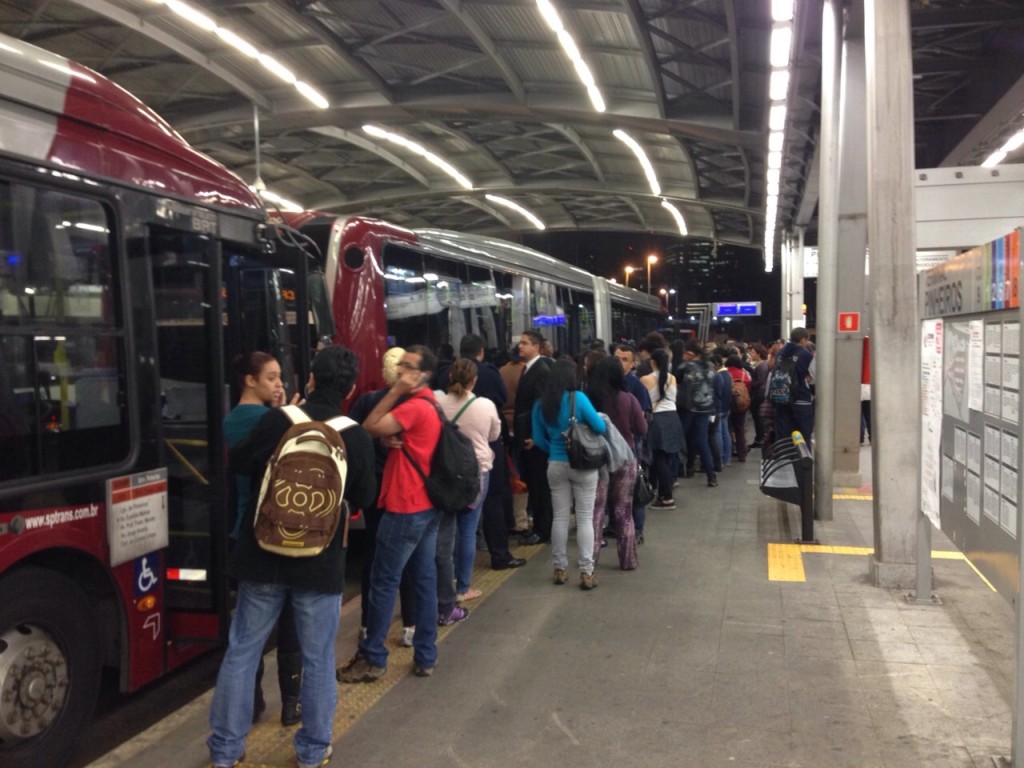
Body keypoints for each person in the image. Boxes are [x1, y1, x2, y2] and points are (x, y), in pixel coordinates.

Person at [209, 345, 376, 768]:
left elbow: (239, 463)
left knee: (243, 652)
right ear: (351, 389)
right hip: (319, 563)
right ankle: (313, 752)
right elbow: (363, 497)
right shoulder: (355, 435)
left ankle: (226, 752)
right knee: (317, 658)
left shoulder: (278, 420)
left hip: (262, 555)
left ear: (311, 379)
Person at [338, 345, 444, 683]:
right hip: (426, 504)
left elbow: (368, 426)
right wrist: (389, 442)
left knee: (383, 582)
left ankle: (373, 657)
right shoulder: (431, 404)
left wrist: (396, 391)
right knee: (424, 581)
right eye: (400, 366)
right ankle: (426, 655)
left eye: (408, 367)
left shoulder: (413, 405)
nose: (400, 371)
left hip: (405, 506)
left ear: (424, 374)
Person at [222, 351, 303, 728]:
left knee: (247, 633)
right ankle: (291, 704)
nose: (278, 383)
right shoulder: (271, 420)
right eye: (271, 377)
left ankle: (251, 704)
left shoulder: (231, 420)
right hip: (277, 528)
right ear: (250, 381)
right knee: (289, 624)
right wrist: (289, 414)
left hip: (244, 528)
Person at [348, 347, 418, 648]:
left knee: (374, 557)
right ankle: (411, 624)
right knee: (409, 559)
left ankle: (368, 624)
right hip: (406, 489)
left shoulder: (367, 401)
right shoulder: (417, 402)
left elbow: (352, 435)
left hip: (374, 489)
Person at [531, 358, 606, 589]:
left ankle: (559, 569)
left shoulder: (540, 404)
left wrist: (555, 451)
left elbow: (537, 438)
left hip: (555, 464)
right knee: (584, 518)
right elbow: (600, 427)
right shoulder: (578, 398)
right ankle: (586, 572)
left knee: (560, 517)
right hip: (583, 465)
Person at [435, 358, 502, 611]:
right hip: (477, 472)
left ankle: (445, 586)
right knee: (468, 529)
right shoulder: (485, 405)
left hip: (445, 472)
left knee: (446, 530)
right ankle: (463, 588)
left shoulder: (438, 404)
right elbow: (494, 435)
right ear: (474, 380)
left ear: (450, 377)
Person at [587, 355, 647, 569]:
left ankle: (590, 560)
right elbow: (642, 429)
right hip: (624, 457)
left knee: (595, 511)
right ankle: (628, 559)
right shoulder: (628, 398)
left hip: (596, 459)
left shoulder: (589, 400)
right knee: (623, 511)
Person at [513, 331, 554, 545]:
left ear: (536, 347)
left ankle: (542, 529)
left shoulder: (541, 371)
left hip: (534, 441)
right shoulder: (529, 369)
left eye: (524, 343)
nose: (520, 346)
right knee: (533, 483)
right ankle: (538, 526)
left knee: (540, 485)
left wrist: (534, 436)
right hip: (528, 438)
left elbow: (540, 407)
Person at [640, 347, 683, 508]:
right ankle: (663, 492)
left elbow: (643, 401)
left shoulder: (645, 379)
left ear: (653, 362)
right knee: (668, 457)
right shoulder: (672, 378)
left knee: (659, 458)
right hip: (673, 417)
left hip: (657, 419)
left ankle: (666, 497)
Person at [677, 340, 717, 487]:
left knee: (679, 439)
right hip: (706, 407)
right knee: (702, 441)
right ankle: (711, 476)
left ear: (690, 353)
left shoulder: (686, 367)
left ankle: (677, 472)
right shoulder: (710, 366)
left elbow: (676, 380)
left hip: (688, 409)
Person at [773, 327, 816, 444]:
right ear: (803, 340)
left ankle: (785, 455)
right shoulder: (806, 355)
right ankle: (801, 456)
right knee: (804, 436)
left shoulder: (779, 354)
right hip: (801, 400)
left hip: (781, 399)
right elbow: (813, 378)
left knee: (784, 437)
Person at [725, 354, 752, 462]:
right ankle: (742, 454)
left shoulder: (726, 373)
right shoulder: (744, 374)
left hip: (729, 404)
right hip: (741, 405)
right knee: (740, 429)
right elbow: (748, 386)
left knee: (728, 428)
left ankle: (729, 451)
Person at [748, 343, 769, 448]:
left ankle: (760, 438)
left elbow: (760, 381)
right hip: (758, 393)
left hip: (758, 394)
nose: (751, 354)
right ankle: (759, 437)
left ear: (759, 354)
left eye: (753, 352)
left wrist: (749, 384)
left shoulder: (761, 365)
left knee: (758, 417)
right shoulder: (761, 364)